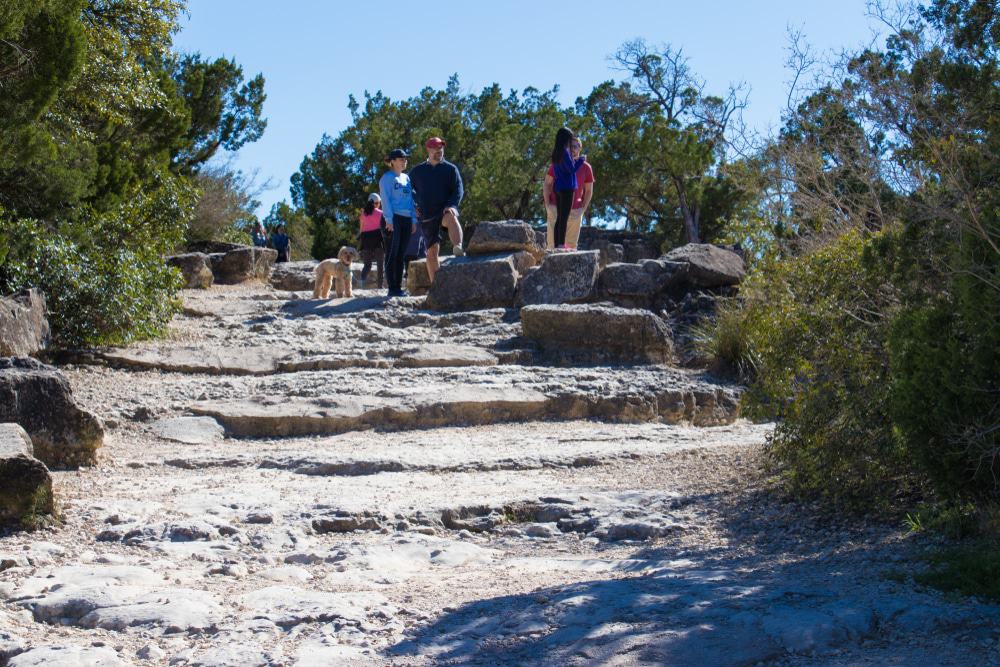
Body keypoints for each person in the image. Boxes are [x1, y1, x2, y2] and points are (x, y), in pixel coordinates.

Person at [408, 136, 464, 284]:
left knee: (451, 216)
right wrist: (413, 206)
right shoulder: (417, 171)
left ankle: (458, 247)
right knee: (432, 253)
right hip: (426, 216)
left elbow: (458, 190)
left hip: (444, 210)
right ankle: (436, 287)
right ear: (428, 150)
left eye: (441, 148)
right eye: (436, 149)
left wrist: (451, 205)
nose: (439, 151)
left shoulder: (451, 169)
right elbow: (405, 191)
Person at [543, 136, 594, 249]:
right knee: (552, 247)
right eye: (570, 146)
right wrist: (547, 205)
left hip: (575, 211)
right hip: (556, 209)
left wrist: (582, 209)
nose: (572, 149)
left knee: (570, 248)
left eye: (575, 146)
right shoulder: (557, 163)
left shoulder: (586, 168)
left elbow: (589, 190)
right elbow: (547, 183)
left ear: (580, 148)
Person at [379, 148, 417, 297]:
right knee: (391, 254)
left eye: (405, 158)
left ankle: (398, 287)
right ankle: (392, 288)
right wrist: (388, 219)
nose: (404, 161)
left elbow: (410, 201)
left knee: (401, 254)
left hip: (406, 219)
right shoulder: (387, 178)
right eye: (401, 159)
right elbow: (385, 199)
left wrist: (413, 219)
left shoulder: (406, 178)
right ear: (392, 161)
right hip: (393, 219)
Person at [548, 127, 586, 250]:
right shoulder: (565, 152)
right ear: (566, 138)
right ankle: (561, 245)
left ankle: (556, 244)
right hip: (568, 188)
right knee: (564, 217)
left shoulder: (556, 153)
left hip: (558, 187)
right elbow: (572, 169)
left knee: (559, 217)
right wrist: (581, 160)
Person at [358, 193, 385, 289]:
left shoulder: (363, 213)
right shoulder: (381, 213)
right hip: (377, 238)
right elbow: (384, 227)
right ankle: (380, 286)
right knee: (380, 265)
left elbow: (361, 229)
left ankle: (361, 283)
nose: (379, 205)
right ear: (375, 203)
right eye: (378, 203)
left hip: (366, 239)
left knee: (367, 265)